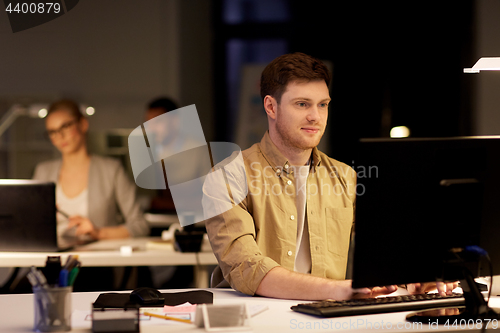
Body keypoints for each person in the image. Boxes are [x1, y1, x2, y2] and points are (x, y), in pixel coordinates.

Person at [202, 52, 456, 300]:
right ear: (271, 106)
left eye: (322, 104)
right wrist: (337, 290)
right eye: (302, 104)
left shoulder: (346, 177)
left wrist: (417, 274)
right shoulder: (226, 177)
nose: (316, 116)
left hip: (328, 319)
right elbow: (247, 268)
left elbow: (387, 249)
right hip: (257, 321)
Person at [33, 99, 150, 241]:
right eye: (52, 132)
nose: (60, 136)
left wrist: (99, 233)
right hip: (55, 259)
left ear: (83, 124)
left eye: (66, 126)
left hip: (98, 260)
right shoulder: (43, 172)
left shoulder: (111, 170)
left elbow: (140, 225)